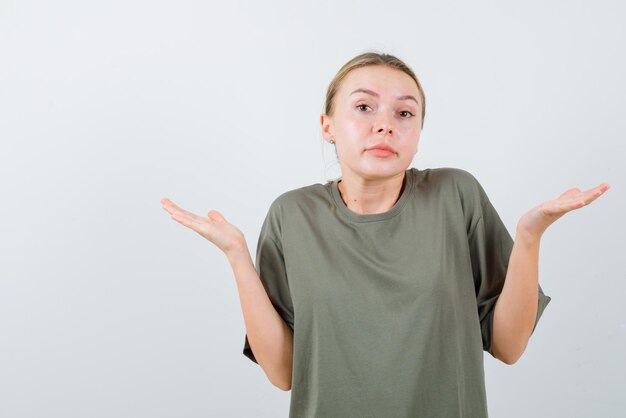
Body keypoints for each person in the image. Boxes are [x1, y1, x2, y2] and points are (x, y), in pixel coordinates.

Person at [161, 52, 609, 418]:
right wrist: (237, 256)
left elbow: (509, 347)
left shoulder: (457, 195)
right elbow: (283, 373)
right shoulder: (291, 215)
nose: (385, 124)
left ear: (418, 132)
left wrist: (529, 237)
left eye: (404, 112)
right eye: (363, 106)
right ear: (327, 126)